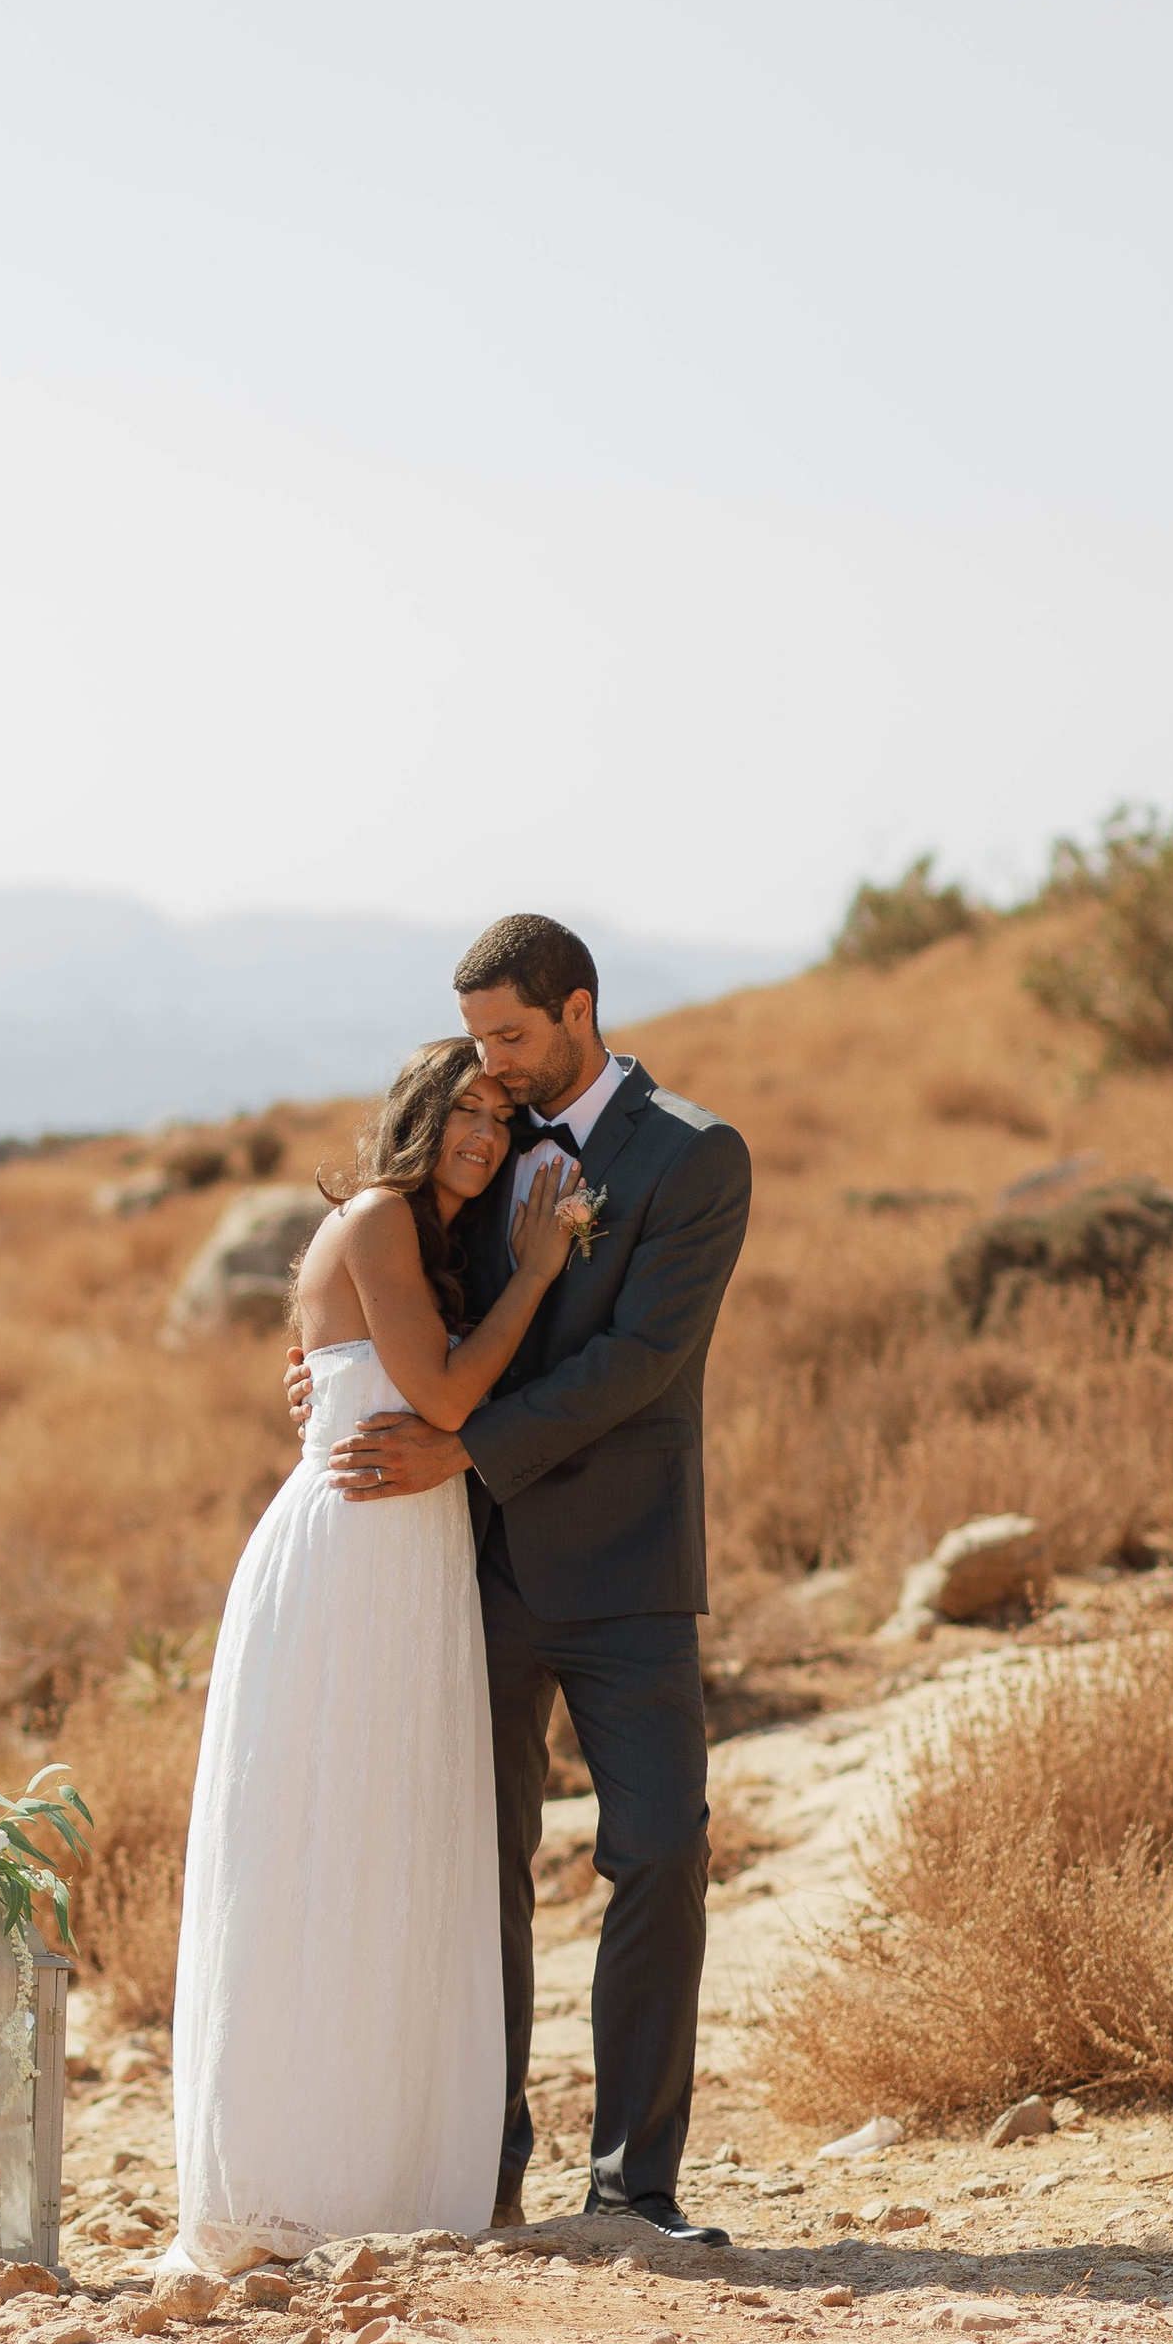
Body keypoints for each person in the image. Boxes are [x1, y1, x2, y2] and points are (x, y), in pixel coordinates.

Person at [302, 913, 752, 2246]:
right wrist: (332, 1376)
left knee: (661, 1850)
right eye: (477, 1040)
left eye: (509, 1035)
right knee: (476, 1873)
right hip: (469, 1569)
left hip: (625, 1569)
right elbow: (403, 1285)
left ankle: (631, 2188)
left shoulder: (693, 1154)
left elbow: (642, 1361)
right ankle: (484, 2179)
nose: (490, 1064)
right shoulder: (480, 1145)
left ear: (578, 1008)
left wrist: (462, 1445)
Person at [168, 1041, 590, 2274]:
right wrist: (540, 1269)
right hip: (351, 1560)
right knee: (326, 1850)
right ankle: (299, 2182)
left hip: (413, 1565)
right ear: (417, 1113)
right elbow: (446, 1400)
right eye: (464, 1108)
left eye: (501, 1115)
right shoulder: (377, 1219)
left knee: (393, 1852)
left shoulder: (429, 1241)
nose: (484, 1133)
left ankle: (385, 2169)